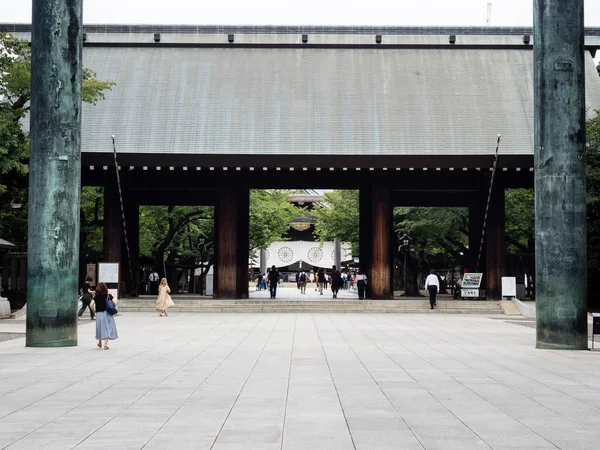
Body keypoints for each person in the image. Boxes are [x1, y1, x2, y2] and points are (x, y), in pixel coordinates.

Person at [91, 282, 118, 350]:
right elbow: (115, 302)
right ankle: (105, 344)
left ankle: (100, 342)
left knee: (99, 327)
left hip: (98, 314)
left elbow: (91, 305)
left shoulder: (96, 296)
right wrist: (112, 307)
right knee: (107, 328)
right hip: (106, 313)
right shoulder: (108, 296)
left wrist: (94, 311)